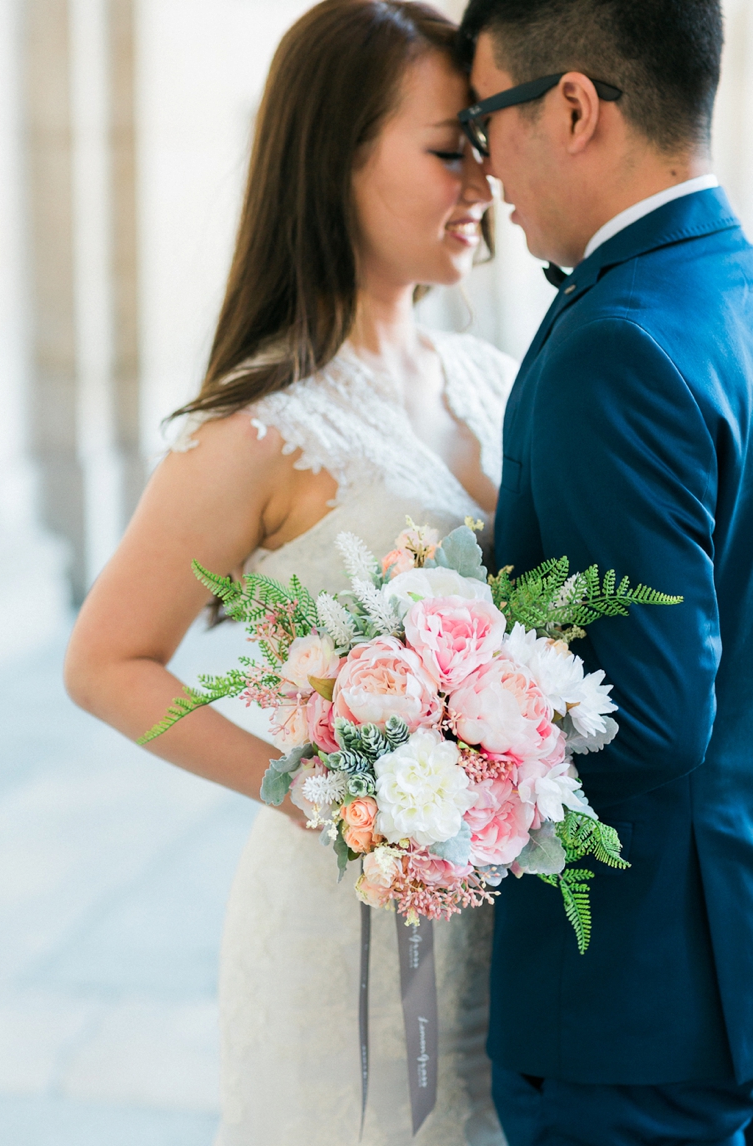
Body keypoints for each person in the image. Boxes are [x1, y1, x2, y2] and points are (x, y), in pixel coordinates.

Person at [65, 2, 515, 1143]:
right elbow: (106, 662)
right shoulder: (261, 424)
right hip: (342, 936)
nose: (481, 179)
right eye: (445, 146)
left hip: (501, 915)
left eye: (482, 143)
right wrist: (319, 793)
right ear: (336, 156)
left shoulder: (493, 376)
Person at [456, 0, 753, 1143]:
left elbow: (642, 717)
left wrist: (420, 714)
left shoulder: (614, 341)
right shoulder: (723, 286)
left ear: (572, 105)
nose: (484, 177)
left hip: (630, 1003)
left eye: (485, 124)